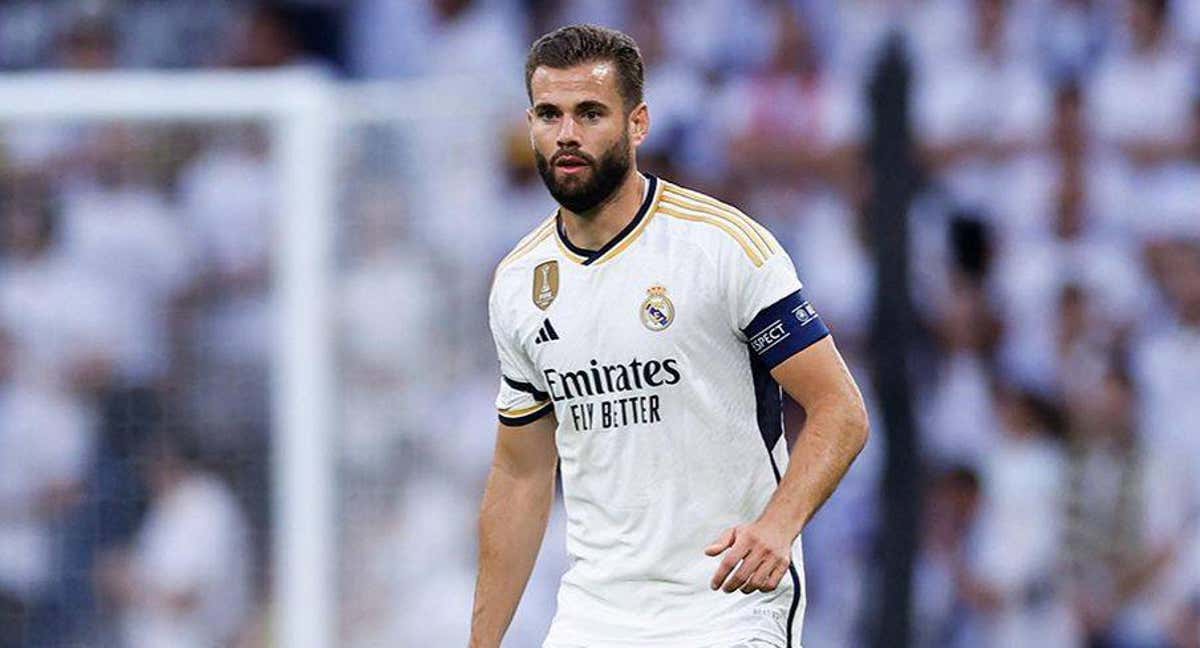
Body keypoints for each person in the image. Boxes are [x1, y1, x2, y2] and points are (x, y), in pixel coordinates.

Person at [469, 25, 869, 648]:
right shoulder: (520, 282)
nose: (566, 134)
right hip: (595, 614)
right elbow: (521, 475)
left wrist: (777, 526)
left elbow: (841, 409)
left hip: (727, 603)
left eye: (590, 113)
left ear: (638, 124)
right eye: (549, 114)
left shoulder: (723, 246)